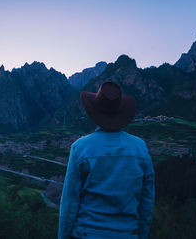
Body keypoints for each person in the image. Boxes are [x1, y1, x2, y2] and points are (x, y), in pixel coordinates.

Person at [58, 81, 155, 239]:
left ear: (94, 113)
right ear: (121, 112)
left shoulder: (80, 148)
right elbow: (147, 201)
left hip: (86, 234)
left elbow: (70, 202)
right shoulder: (140, 148)